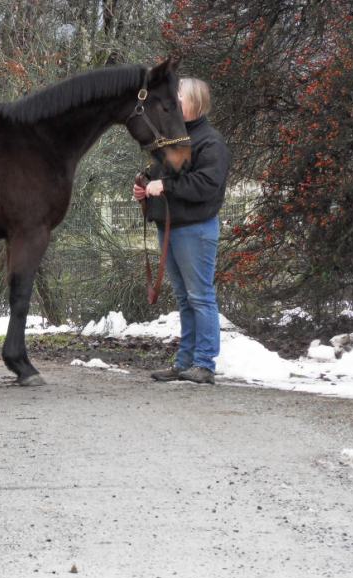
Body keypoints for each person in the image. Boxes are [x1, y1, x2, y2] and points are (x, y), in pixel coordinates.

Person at [133, 77, 231, 385]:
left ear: (195, 103)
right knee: (185, 298)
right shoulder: (172, 139)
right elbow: (159, 177)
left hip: (195, 229)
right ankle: (185, 362)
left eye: (178, 98)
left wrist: (164, 186)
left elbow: (207, 185)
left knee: (200, 297)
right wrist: (144, 188)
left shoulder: (211, 142)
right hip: (171, 228)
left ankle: (204, 363)